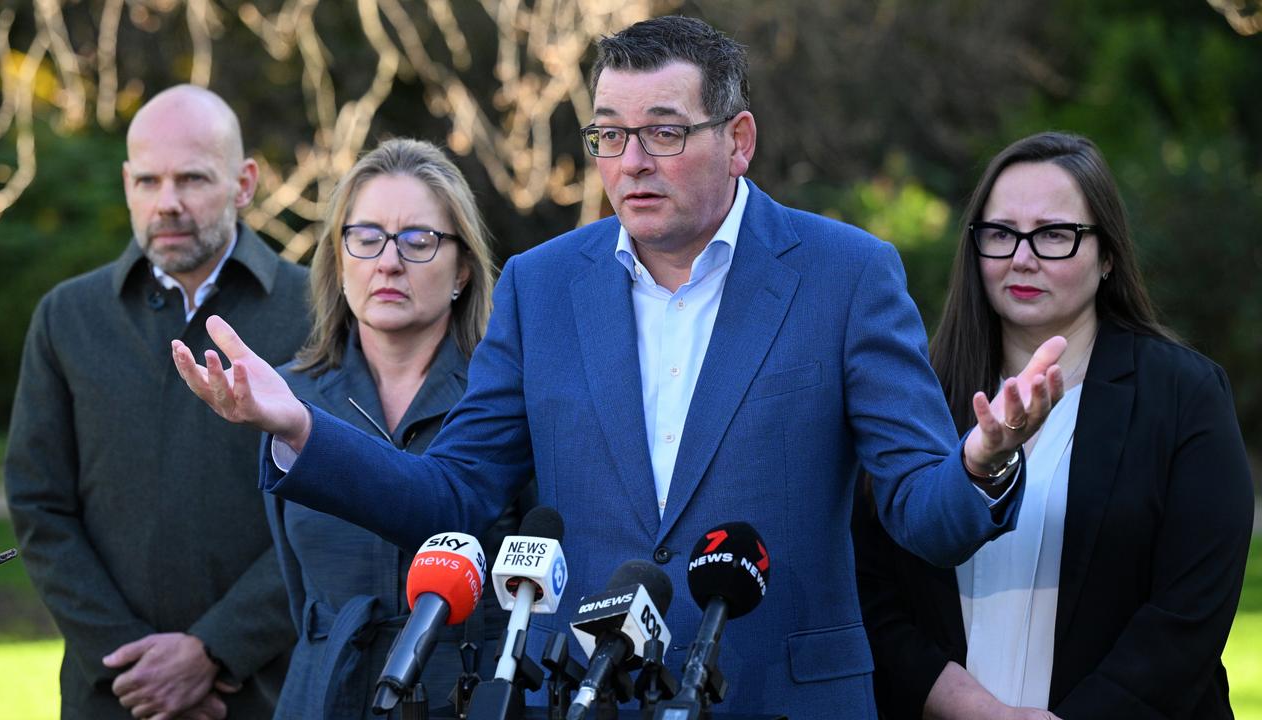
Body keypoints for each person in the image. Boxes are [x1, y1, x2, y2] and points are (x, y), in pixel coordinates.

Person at [173, 17, 1066, 719]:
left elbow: (924, 513)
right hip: (580, 697)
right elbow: (454, 495)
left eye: (664, 134)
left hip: (782, 698)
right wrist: (298, 426)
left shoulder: (845, 275)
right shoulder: (542, 284)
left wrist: (983, 462)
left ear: (739, 139)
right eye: (609, 135)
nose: (630, 163)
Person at [852, 132, 1253, 719]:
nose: (1022, 257)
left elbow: (1189, 612)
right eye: (1000, 234)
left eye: (1055, 235)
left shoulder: (1184, 394)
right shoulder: (915, 394)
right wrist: (973, 711)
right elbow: (872, 593)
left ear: (1108, 254)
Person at [5, 85, 308, 720]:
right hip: (111, 696)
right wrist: (134, 666)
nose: (166, 203)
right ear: (126, 183)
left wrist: (215, 652)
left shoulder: (316, 314)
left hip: (267, 695)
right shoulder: (68, 318)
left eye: (192, 179)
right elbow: (39, 505)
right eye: (147, 181)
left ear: (244, 182)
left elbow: (333, 512)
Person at [266, 137, 533, 718]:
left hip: (466, 696)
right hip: (325, 694)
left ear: (462, 269)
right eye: (365, 239)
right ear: (339, 262)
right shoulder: (288, 397)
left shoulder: (505, 394)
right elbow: (295, 584)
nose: (388, 261)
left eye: (418, 240)